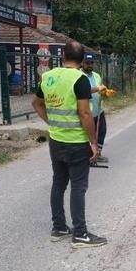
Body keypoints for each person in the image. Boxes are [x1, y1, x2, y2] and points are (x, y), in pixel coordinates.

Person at [32, 42, 107, 248]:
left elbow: (36, 103)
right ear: (83, 60)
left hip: (56, 141)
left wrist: (51, 122)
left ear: (63, 56)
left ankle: (59, 228)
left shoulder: (49, 77)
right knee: (78, 186)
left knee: (59, 183)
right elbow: (85, 113)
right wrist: (93, 143)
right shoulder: (80, 79)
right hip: (76, 142)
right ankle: (80, 234)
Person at [81, 54, 108, 163]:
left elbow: (100, 89)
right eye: (87, 63)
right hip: (87, 110)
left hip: (98, 109)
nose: (90, 65)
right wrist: (97, 88)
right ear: (82, 63)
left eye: (91, 63)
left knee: (102, 131)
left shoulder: (97, 75)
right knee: (88, 134)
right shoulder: (79, 76)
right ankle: (88, 155)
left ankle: (98, 153)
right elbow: (85, 90)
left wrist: (106, 92)